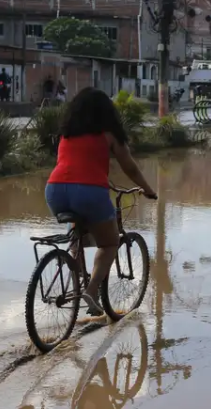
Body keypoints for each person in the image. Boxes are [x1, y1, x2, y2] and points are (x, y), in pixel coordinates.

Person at [45, 88, 157, 318]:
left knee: (76, 234)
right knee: (109, 243)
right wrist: (148, 189)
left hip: (55, 190)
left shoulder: (67, 134)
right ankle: (91, 290)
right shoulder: (108, 134)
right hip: (88, 192)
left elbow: (71, 165)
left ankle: (75, 276)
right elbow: (130, 167)